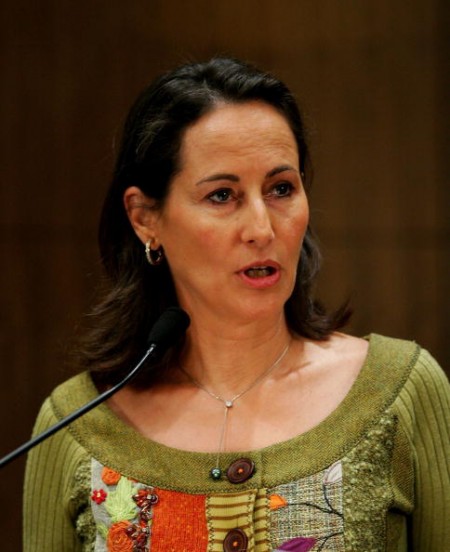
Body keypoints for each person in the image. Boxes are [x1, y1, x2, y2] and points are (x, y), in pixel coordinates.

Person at [23, 57, 449, 551]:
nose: (262, 229)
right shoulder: (75, 425)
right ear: (145, 219)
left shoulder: (400, 392)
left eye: (281, 189)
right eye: (222, 195)